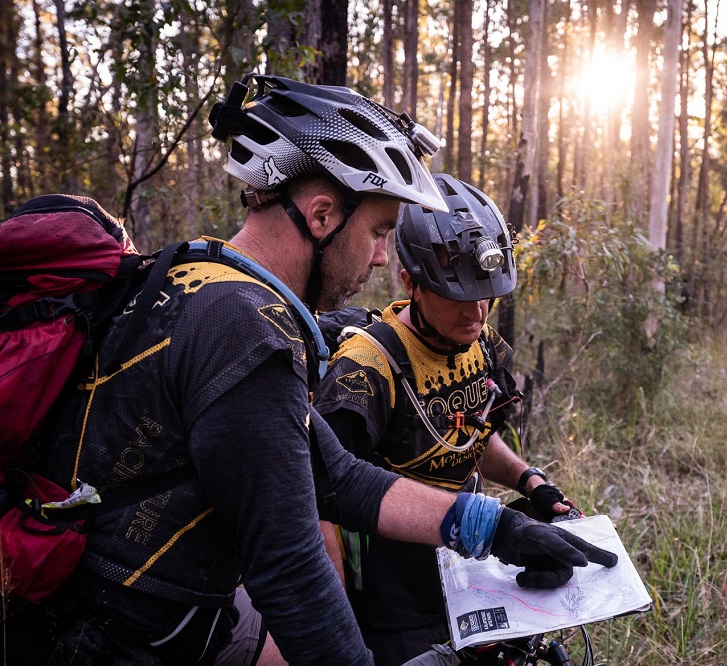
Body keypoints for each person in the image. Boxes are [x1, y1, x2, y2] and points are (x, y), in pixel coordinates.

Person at [23, 75, 615, 666]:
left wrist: (497, 530)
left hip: (138, 605)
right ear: (323, 215)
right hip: (130, 637)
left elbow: (335, 476)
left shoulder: (196, 277)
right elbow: (289, 566)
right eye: (380, 230)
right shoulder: (247, 331)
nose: (384, 256)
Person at [313, 173, 580, 665]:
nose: (476, 313)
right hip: (388, 594)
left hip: (467, 563)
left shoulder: (484, 347)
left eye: (486, 295)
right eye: (457, 296)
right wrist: (335, 610)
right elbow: (323, 496)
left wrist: (530, 481)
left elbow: (474, 436)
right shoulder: (367, 369)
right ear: (409, 281)